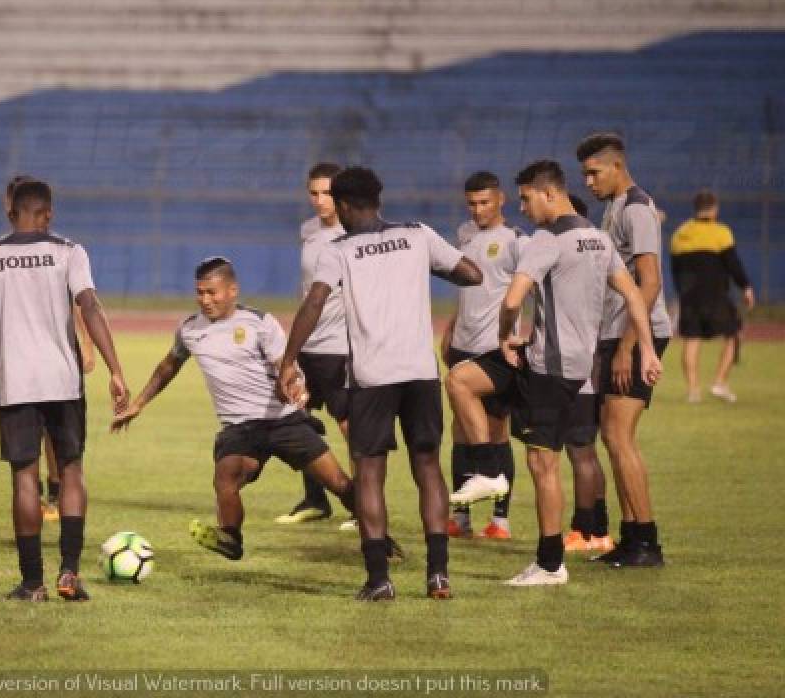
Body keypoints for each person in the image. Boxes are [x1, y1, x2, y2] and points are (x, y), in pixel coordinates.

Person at [446, 160, 661, 586]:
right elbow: (636, 295)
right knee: (462, 380)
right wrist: (648, 351)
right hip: (570, 368)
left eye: (526, 198)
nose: (524, 208)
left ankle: (548, 562)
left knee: (541, 464)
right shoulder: (599, 240)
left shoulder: (547, 240)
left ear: (548, 194)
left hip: (546, 370)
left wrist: (507, 337)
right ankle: (491, 474)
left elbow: (512, 300)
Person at [278, 167, 483, 601]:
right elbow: (471, 274)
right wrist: (426, 270)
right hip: (421, 373)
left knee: (369, 473)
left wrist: (288, 360)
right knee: (427, 467)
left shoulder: (340, 249)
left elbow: (314, 303)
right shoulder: (417, 235)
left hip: (373, 377)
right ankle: (438, 575)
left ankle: (378, 580)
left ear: (347, 205)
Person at [111, 257, 366, 564]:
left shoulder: (259, 323)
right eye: (200, 292)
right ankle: (231, 537)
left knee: (338, 483)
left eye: (212, 292)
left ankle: (376, 535)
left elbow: (284, 365)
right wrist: (138, 404)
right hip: (240, 429)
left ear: (232, 290)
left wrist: (294, 384)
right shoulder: (190, 330)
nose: (205, 300)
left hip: (282, 421)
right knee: (225, 477)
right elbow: (169, 365)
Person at [0, 180, 128, 602]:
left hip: (15, 383)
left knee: (24, 479)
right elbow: (90, 306)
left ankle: (32, 584)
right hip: (63, 380)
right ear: (49, 214)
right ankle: (70, 573)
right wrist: (115, 369)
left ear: (11, 213)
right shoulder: (70, 251)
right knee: (70, 470)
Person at [0, 174, 96, 521]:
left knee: (53, 440)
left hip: (50, 357)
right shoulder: (0, 253)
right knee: (41, 439)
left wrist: (86, 343)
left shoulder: (58, 251)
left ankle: (55, 493)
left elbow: (78, 303)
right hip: (31, 363)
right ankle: (46, 496)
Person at [578, 133, 673, 567]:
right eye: (585, 173)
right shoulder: (617, 208)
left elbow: (650, 282)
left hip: (636, 334)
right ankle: (632, 537)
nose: (588, 181)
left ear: (617, 166)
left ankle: (646, 541)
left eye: (594, 172)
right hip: (620, 333)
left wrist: (628, 346)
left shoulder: (636, 207)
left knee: (619, 436)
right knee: (615, 438)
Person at [440, 171, 522, 541]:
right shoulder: (464, 234)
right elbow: (468, 289)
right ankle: (461, 517)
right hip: (463, 342)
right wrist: (452, 326)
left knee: (495, 429)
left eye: (484, 202)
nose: (477, 210)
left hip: (495, 348)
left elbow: (528, 291)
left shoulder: (517, 241)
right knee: (461, 429)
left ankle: (500, 520)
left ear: (501, 199)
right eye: (472, 203)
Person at [277, 162, 355, 529]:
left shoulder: (354, 232)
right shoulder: (308, 230)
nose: (321, 201)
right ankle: (315, 499)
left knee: (350, 426)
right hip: (308, 345)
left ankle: (363, 505)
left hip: (339, 347)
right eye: (314, 193)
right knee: (297, 419)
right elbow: (306, 290)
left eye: (327, 193)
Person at [562, 194, 613, 555]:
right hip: (593, 365)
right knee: (588, 451)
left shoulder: (576, 256)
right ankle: (599, 527)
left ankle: (582, 529)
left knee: (579, 451)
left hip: (578, 368)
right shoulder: (602, 252)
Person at [670, 189, 755, 403]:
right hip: (716, 296)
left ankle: (693, 391)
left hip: (689, 297)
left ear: (696, 208)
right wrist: (745, 287)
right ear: (714, 208)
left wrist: (682, 293)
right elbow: (733, 264)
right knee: (733, 334)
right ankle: (719, 382)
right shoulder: (721, 233)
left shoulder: (680, 234)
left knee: (691, 340)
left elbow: (675, 269)